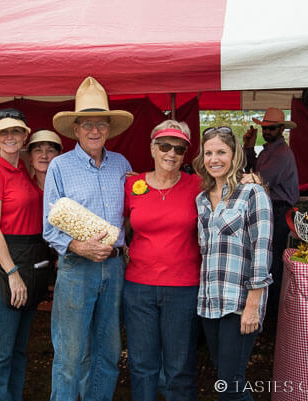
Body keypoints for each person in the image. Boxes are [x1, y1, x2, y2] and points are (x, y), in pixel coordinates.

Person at [43, 76, 134, 401]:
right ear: (76, 129)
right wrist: (79, 245)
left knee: (109, 352)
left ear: (109, 128)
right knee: (70, 354)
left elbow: (132, 213)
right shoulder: (60, 167)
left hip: (114, 268)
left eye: (101, 124)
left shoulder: (121, 165)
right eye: (87, 125)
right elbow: (49, 226)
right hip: (76, 268)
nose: (95, 131)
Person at [123, 120, 202, 401]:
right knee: (142, 365)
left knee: (179, 368)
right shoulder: (133, 184)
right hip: (138, 288)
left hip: (183, 287)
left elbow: (229, 187)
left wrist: (252, 179)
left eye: (179, 149)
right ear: (152, 148)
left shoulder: (197, 186)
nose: (171, 153)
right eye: (165, 146)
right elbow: (116, 224)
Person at [193, 126, 273, 400]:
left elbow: (262, 251)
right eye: (209, 153)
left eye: (221, 152)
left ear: (235, 155)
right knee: (225, 378)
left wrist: (252, 307)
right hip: (210, 303)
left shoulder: (252, 193)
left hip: (239, 304)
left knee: (231, 385)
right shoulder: (201, 200)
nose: (214, 159)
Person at [0, 108, 48, 401]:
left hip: (27, 265)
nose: (10, 137)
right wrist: (12, 272)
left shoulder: (21, 171)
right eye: (3, 132)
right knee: (1, 351)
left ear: (25, 135)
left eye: (15, 131)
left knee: (18, 349)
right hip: (1, 270)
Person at [243, 107, 298, 326]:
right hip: (270, 208)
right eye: (264, 127)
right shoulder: (269, 150)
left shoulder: (281, 154)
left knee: (271, 263)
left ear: (281, 129)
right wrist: (248, 146)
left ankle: (272, 318)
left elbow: (258, 179)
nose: (267, 131)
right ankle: (269, 315)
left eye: (271, 128)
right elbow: (251, 169)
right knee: (265, 259)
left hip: (277, 210)